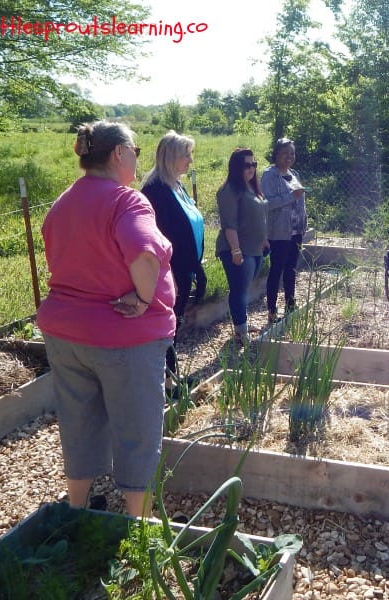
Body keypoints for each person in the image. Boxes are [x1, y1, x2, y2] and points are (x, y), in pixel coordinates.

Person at [36, 120, 176, 518]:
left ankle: (77, 511)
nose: (137, 158)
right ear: (118, 154)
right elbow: (146, 254)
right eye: (134, 150)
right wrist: (146, 298)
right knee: (137, 430)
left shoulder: (63, 202)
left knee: (78, 422)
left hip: (66, 336)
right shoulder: (126, 201)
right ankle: (138, 524)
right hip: (124, 338)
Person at [141, 131, 205, 391]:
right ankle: (166, 383)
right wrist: (172, 276)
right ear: (170, 157)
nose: (190, 161)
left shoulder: (175, 185)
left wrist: (196, 267)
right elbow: (157, 239)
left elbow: (189, 229)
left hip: (184, 268)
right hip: (169, 272)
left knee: (175, 322)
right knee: (167, 326)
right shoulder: (155, 191)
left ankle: (171, 376)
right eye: (185, 155)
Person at [216, 148, 268, 345]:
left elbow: (261, 215)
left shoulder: (252, 187)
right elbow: (229, 224)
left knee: (245, 288)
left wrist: (264, 240)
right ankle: (240, 331)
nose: (251, 168)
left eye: (254, 164)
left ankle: (242, 323)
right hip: (238, 249)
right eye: (247, 165)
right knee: (239, 289)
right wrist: (235, 250)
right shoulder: (230, 190)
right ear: (236, 167)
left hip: (255, 248)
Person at [261, 138, 308, 324]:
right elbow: (267, 203)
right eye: (285, 153)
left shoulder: (294, 173)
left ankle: (290, 303)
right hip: (279, 232)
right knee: (277, 269)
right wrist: (291, 196)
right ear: (276, 155)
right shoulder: (269, 175)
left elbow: (300, 200)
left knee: (291, 268)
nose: (289, 157)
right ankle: (272, 310)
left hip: (296, 230)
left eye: (292, 153)